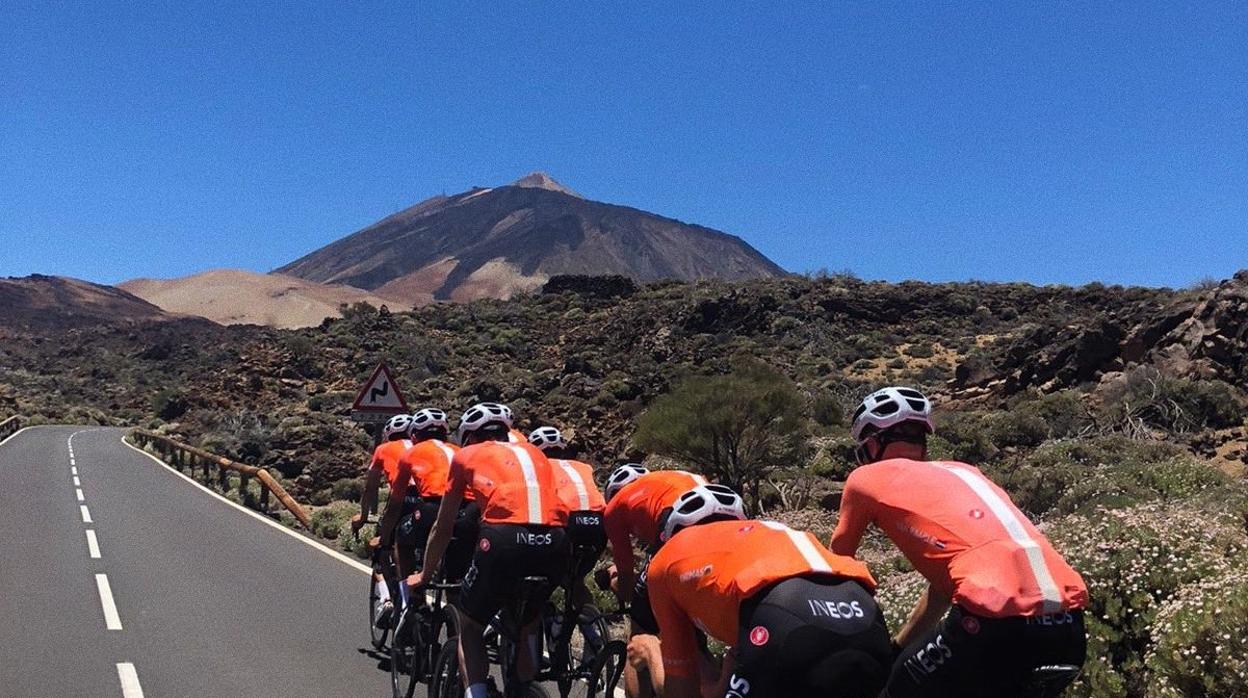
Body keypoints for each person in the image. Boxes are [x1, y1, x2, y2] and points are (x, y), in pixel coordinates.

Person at [830, 387, 1089, 698]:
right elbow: (943, 592)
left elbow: (837, 570)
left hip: (992, 622)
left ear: (871, 444)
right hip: (1070, 626)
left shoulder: (864, 479)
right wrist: (898, 648)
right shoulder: (966, 472)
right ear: (923, 444)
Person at [645, 484, 892, 698]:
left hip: (781, 614)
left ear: (670, 534)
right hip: (864, 612)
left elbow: (682, 690)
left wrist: (650, 651)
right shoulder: (767, 533)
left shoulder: (664, 561)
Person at [409, 403, 571, 698]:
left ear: (468, 435)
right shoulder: (536, 454)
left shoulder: (465, 456)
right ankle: (523, 687)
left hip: (503, 540)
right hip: (556, 540)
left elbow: (444, 527)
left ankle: (478, 693)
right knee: (528, 621)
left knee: (470, 626)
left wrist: (425, 573)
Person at [601, 465, 708, 697]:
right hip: (721, 524)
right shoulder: (664, 481)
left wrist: (615, 580)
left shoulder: (614, 510)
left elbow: (628, 583)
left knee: (640, 627)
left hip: (679, 522)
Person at [529, 426, 608, 658]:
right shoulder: (583, 466)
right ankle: (594, 640)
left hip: (567, 524)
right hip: (598, 524)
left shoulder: (539, 468)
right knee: (576, 583)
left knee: (538, 579)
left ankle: (552, 627)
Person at [351, 413, 414, 627]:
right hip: (433, 503)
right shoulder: (422, 446)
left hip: (402, 501)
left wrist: (363, 517)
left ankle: (387, 600)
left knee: (381, 549)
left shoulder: (383, 449)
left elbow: (370, 487)